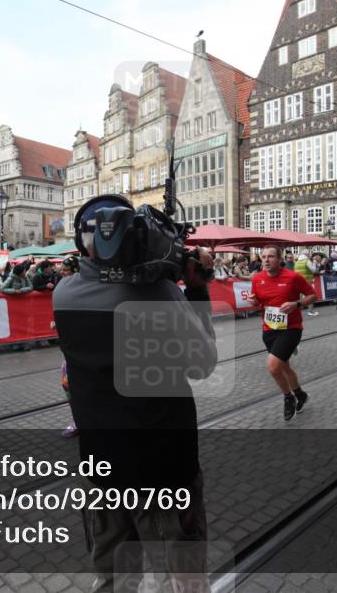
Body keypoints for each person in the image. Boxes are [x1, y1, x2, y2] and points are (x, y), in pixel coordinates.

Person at [53, 194, 217, 592]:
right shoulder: (163, 296)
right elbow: (203, 363)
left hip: (101, 465)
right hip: (163, 466)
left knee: (113, 575)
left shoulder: (64, 295)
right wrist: (193, 289)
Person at [246, 245, 317, 421]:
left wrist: (297, 304)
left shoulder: (293, 277)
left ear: (279, 259)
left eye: (271, 256)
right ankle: (300, 394)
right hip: (269, 329)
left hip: (291, 329)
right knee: (283, 366)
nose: (266, 260)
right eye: (263, 257)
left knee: (273, 366)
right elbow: (257, 304)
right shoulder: (257, 279)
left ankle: (288, 398)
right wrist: (252, 302)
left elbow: (313, 295)